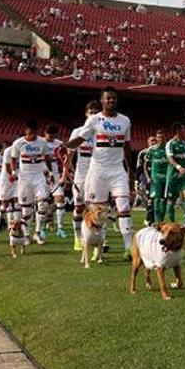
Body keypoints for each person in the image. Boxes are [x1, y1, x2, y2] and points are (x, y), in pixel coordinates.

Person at [66, 86, 134, 261]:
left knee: (124, 208)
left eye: (113, 98)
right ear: (102, 100)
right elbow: (80, 140)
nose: (111, 101)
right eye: (108, 98)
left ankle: (128, 249)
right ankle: (94, 244)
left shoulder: (125, 120)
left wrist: (130, 169)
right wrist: (67, 146)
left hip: (117, 169)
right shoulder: (94, 120)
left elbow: (126, 145)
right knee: (97, 210)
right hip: (97, 170)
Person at [65, 100, 101, 251]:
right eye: (90, 112)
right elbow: (69, 156)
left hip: (97, 174)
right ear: (86, 114)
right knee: (79, 208)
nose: (92, 115)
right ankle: (77, 238)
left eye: (95, 113)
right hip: (80, 175)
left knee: (95, 209)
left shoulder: (103, 132)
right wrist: (64, 174)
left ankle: (97, 244)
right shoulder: (77, 132)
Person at [10, 120, 53, 243]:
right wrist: (14, 172)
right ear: (26, 131)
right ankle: (27, 234)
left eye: (35, 132)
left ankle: (38, 233)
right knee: (26, 210)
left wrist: (49, 172)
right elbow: (13, 160)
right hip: (24, 178)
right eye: (30, 132)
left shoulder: (42, 142)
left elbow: (47, 158)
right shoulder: (18, 143)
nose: (33, 135)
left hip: (39, 177)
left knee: (43, 203)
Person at [165, 121, 185, 224]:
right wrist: (178, 167)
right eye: (183, 129)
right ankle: (172, 223)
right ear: (178, 131)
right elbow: (170, 158)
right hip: (173, 176)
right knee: (171, 200)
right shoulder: (170, 144)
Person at [44, 124, 67, 238]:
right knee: (41, 202)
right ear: (45, 133)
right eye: (49, 136)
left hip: (56, 174)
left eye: (53, 136)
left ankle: (60, 228)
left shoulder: (59, 144)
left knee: (60, 200)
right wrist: (49, 173)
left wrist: (66, 173)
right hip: (42, 174)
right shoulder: (40, 143)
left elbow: (65, 159)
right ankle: (41, 228)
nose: (51, 138)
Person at [145, 130, 168, 223]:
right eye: (159, 137)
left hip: (167, 179)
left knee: (165, 200)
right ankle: (156, 221)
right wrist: (148, 177)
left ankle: (161, 220)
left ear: (165, 138)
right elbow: (145, 165)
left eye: (162, 137)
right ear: (157, 138)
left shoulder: (168, 149)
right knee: (156, 199)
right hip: (156, 179)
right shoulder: (152, 150)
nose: (161, 139)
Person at [136, 135, 157, 226]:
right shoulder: (143, 153)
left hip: (157, 178)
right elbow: (139, 167)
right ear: (148, 142)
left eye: (155, 140)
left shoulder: (159, 152)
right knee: (150, 199)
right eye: (152, 140)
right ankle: (149, 219)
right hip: (146, 178)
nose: (154, 142)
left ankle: (150, 218)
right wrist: (137, 181)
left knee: (156, 200)